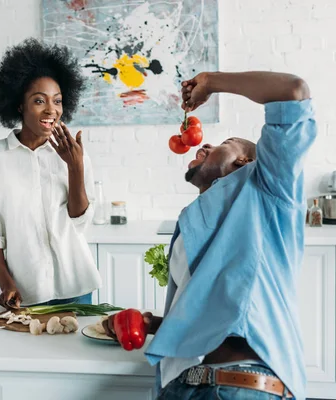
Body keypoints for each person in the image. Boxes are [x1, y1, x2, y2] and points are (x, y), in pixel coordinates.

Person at [104, 71, 315, 400]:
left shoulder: (268, 190)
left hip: (239, 386)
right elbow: (219, 313)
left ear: (244, 162)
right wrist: (152, 324)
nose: (205, 143)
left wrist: (211, 83)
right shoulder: (192, 225)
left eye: (223, 144)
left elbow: (293, 92)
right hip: (185, 386)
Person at [0, 38, 101, 309]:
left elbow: (80, 223)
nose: (51, 110)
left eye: (57, 101)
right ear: (19, 105)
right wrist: (6, 283)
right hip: (25, 291)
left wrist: (75, 168)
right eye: (39, 101)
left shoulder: (74, 154)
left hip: (77, 285)